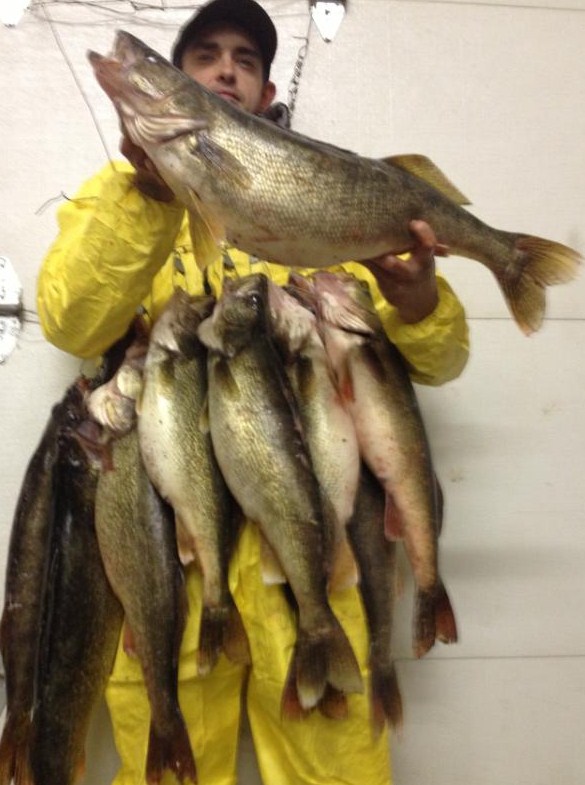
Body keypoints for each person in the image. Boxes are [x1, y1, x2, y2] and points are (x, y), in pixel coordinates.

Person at [37, 1, 469, 783]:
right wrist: (150, 196)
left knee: (332, 768)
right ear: (180, 82)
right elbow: (72, 321)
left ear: (268, 94)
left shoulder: (317, 198)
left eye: (244, 58)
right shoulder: (117, 190)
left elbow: (435, 363)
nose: (226, 68)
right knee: (168, 767)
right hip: (166, 552)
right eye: (204, 55)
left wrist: (416, 302)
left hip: (311, 544)